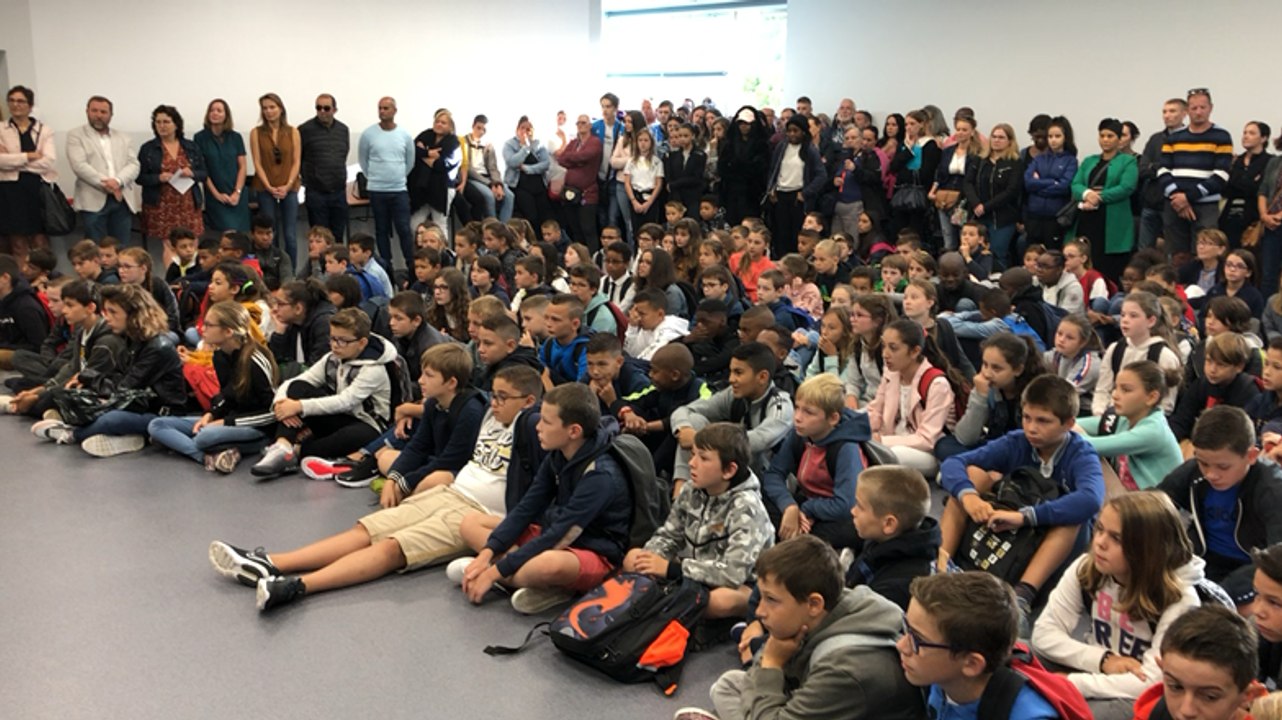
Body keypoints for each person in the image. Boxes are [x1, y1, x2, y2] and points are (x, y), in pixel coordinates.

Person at [209, 364, 543, 611]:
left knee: (393, 547)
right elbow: (451, 408)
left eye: (503, 398)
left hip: (480, 512)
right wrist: (408, 411)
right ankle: (272, 561)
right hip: (452, 493)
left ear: (528, 402)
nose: (495, 403)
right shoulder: (488, 413)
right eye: (494, 395)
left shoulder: (534, 430)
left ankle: (298, 586)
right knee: (366, 529)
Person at [687, 535, 925, 720]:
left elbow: (768, 666)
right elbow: (758, 674)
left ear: (813, 604)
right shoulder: (832, 605)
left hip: (837, 693)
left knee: (741, 690)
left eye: (771, 599)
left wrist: (771, 663)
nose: (759, 612)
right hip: (818, 695)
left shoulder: (846, 669)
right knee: (728, 684)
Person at [939, 375, 1105, 627]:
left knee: (1075, 517)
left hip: (1052, 537)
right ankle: (941, 564)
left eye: (1043, 421)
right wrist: (969, 496)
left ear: (1069, 423)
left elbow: (1091, 500)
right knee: (971, 477)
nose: (1032, 428)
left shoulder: (1080, 453)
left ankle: (1023, 596)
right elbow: (954, 462)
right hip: (1011, 526)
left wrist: (1025, 517)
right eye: (1027, 418)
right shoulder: (1017, 441)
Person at [456, 383, 632, 615]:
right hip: (552, 532)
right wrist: (489, 550)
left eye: (547, 422)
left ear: (574, 431)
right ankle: (527, 580)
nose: (537, 427)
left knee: (548, 565)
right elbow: (526, 508)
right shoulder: (558, 454)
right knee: (470, 523)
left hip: (593, 551)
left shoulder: (600, 475)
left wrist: (493, 571)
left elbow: (561, 534)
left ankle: (503, 576)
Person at [1031, 491, 1206, 719]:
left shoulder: (1180, 599)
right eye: (1100, 529)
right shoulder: (1087, 567)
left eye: (1117, 538)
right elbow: (1043, 634)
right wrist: (1103, 660)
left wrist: (1071, 683)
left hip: (1132, 691)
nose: (1100, 543)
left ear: (1148, 549)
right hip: (1096, 666)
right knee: (1017, 656)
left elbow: (1155, 681)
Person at [624, 422, 773, 620]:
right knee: (634, 558)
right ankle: (670, 605)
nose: (692, 463)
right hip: (693, 571)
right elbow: (669, 535)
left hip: (736, 584)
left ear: (729, 470)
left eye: (703, 458)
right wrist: (650, 559)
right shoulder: (691, 489)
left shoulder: (747, 508)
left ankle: (672, 609)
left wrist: (670, 569)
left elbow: (732, 574)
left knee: (721, 601)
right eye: (693, 454)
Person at [31, 284, 184, 457]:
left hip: (158, 413)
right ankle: (126, 437)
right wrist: (88, 381)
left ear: (133, 314)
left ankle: (72, 434)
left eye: (113, 312)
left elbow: (125, 389)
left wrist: (91, 379)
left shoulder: (158, 347)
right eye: (106, 311)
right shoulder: (130, 338)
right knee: (72, 396)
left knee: (111, 419)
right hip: (136, 405)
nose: (107, 317)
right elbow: (118, 378)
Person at [1159, 406, 1282, 607]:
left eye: (1223, 467)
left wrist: (1218, 594)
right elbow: (1151, 504)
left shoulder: (1273, 489)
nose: (1210, 474)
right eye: (1203, 463)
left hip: (1252, 568)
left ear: (1251, 456)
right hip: (1203, 561)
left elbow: (1276, 560)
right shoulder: (1195, 472)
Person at [251, 307, 396, 478]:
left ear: (362, 343)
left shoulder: (374, 370)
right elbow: (298, 381)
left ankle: (296, 452)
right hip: (341, 417)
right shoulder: (332, 358)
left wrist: (299, 406)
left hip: (367, 425)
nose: (335, 345)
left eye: (342, 341)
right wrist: (281, 402)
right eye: (332, 338)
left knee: (353, 436)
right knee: (298, 387)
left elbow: (346, 401)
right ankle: (283, 445)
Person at [898, 572, 1061, 720]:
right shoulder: (942, 676)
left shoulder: (1028, 716)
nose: (901, 646)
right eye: (906, 627)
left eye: (917, 640)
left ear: (971, 663)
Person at [147, 301, 278, 473]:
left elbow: (272, 413)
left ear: (228, 331)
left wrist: (226, 422)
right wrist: (211, 414)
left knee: (204, 437)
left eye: (209, 325)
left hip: (256, 426)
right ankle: (210, 457)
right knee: (157, 425)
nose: (202, 329)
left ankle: (247, 446)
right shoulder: (219, 356)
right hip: (230, 419)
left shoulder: (255, 361)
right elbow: (226, 395)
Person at [761, 373, 870, 550]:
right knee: (759, 498)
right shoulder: (800, 434)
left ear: (833, 418)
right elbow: (774, 474)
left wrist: (807, 509)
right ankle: (799, 541)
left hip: (838, 513)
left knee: (854, 531)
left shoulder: (846, 448)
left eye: (808, 412)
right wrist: (789, 507)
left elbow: (845, 504)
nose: (797, 417)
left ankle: (796, 542)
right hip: (807, 503)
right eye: (797, 407)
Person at [671, 342, 793, 486]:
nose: (731, 379)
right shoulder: (735, 394)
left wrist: (701, 440)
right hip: (734, 467)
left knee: (714, 440)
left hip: (769, 479)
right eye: (731, 372)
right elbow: (684, 410)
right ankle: (680, 491)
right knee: (694, 420)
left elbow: (759, 441)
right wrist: (684, 428)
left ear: (762, 377)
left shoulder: (781, 405)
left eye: (738, 373)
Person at [867, 318, 963, 476]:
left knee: (894, 454)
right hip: (892, 439)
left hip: (928, 453)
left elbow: (927, 439)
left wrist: (882, 441)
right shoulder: (891, 373)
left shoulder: (937, 384)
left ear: (915, 351)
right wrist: (858, 428)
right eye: (883, 346)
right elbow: (876, 409)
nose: (885, 354)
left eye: (893, 348)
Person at [1132, 606, 1264, 720]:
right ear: (1163, 669)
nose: (1186, 711)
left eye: (1210, 697)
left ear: (1247, 695)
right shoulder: (1151, 713)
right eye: (1176, 687)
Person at [1077, 360, 1182, 491]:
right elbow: (1073, 423)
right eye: (1116, 387)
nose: (1115, 395)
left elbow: (1088, 446)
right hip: (1131, 501)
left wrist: (1060, 428)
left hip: (1155, 507)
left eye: (1125, 390)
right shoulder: (1124, 418)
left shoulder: (1153, 431)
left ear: (1151, 397)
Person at [1157, 89, 1234, 259]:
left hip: (1205, 205)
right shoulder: (1174, 137)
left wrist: (1188, 198)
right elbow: (1163, 170)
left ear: (1210, 108)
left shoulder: (1221, 136)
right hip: (1174, 204)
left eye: (1202, 107)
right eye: (1194, 108)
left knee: (1205, 253)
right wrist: (1177, 196)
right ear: (1187, 111)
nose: (1198, 112)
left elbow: (1221, 175)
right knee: (1176, 256)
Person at [1072, 118, 1139, 282]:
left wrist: (1099, 198)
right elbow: (1075, 184)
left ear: (1119, 139)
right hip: (1087, 217)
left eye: (1110, 136)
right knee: (1087, 258)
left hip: (1113, 220)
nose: (1106, 140)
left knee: (1109, 267)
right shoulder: (1089, 161)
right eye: (1102, 135)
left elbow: (1127, 187)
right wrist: (1087, 194)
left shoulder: (1128, 161)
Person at [65, 95, 140, 242]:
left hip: (121, 200)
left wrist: (118, 181)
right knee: (95, 251)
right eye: (94, 111)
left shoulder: (123, 137)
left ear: (111, 115)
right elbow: (79, 165)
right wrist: (108, 184)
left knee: (121, 248)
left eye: (103, 112)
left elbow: (134, 164)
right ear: (87, 111)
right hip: (93, 200)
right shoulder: (76, 135)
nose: (98, 115)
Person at [1170, 332, 1261, 448]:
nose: (1212, 369)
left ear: (1239, 367)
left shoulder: (1248, 391)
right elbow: (1181, 420)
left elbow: (1238, 434)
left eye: (1221, 365)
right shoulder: (1201, 384)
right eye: (1208, 361)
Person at [357, 97, 415, 269]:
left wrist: (397, 176)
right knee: (381, 230)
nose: (382, 111)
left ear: (394, 111)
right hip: (377, 189)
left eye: (386, 108)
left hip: (399, 190)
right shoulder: (368, 134)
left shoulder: (404, 135)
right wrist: (375, 177)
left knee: (404, 229)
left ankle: (411, 266)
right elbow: (363, 160)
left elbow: (409, 162)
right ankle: (386, 267)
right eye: (380, 108)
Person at [0, 85, 57, 259]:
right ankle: (21, 282)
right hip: (9, 190)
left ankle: (43, 279)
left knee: (40, 239)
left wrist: (14, 160)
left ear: (30, 106)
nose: (16, 105)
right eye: (12, 101)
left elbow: (48, 162)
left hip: (37, 188)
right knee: (17, 241)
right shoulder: (1, 129)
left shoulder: (44, 130)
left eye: (21, 101)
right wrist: (29, 156)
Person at [248, 93, 301, 266]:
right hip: (265, 189)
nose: (269, 111)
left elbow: (296, 161)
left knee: (290, 235)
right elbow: (257, 162)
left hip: (289, 188)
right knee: (270, 234)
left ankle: (291, 272)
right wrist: (269, 186)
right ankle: (272, 269)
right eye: (265, 108)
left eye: (272, 107)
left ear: (280, 109)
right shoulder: (256, 133)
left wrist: (288, 185)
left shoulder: (293, 132)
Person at [963, 123, 1023, 271]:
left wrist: (986, 206)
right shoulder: (980, 160)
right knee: (975, 252)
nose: (996, 140)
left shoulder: (1015, 163)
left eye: (1001, 137)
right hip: (978, 216)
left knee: (997, 254)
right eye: (994, 137)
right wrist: (976, 203)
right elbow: (967, 182)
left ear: (1010, 141)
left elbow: (1012, 190)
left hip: (1002, 218)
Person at [1136, 99, 1188, 251]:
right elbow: (1143, 169)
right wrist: (1164, 167)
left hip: (1174, 203)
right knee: (1144, 250)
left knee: (1173, 250)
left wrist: (1156, 166)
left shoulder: (1189, 139)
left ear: (1184, 113)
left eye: (1172, 111)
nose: (1167, 115)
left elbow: (1182, 171)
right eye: (1164, 112)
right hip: (1151, 202)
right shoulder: (1156, 139)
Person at [298, 93, 349, 242]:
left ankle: (338, 266)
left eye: (326, 108)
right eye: (318, 108)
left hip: (338, 192)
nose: (322, 111)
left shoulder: (343, 130)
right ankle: (320, 266)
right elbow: (298, 158)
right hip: (316, 193)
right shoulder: (304, 130)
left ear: (335, 110)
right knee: (319, 239)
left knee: (338, 237)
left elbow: (343, 155)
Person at [193, 99, 249, 234]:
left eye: (219, 110)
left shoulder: (235, 137)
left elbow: (242, 167)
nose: (215, 113)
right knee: (226, 233)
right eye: (212, 110)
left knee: (240, 236)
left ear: (226, 115)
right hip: (215, 193)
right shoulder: (200, 138)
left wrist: (237, 192)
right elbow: (202, 170)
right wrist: (217, 194)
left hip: (236, 193)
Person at [1023, 116, 1079, 250]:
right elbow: (1028, 182)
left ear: (1066, 137)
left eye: (1057, 136)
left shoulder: (1070, 161)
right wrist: (1052, 182)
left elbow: (1064, 186)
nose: (1053, 140)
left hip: (1055, 216)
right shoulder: (1039, 158)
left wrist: (1039, 183)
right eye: (1050, 136)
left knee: (1052, 253)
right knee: (1031, 252)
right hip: (1034, 215)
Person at [408, 108, 461, 243]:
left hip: (442, 188)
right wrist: (429, 154)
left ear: (450, 127)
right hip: (422, 188)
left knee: (440, 225)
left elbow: (442, 165)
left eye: (443, 123)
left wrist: (424, 154)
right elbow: (412, 152)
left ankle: (443, 256)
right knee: (414, 224)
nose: (439, 124)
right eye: (437, 121)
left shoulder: (453, 142)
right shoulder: (426, 135)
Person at [555, 114, 604, 251]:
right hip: (570, 193)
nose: (581, 125)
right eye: (578, 123)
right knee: (575, 230)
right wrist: (577, 161)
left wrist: (572, 159)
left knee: (588, 229)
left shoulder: (594, 142)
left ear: (589, 125)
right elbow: (561, 159)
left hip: (588, 194)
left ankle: (593, 258)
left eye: (584, 123)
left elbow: (587, 155)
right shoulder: (573, 143)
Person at [718, 106, 770, 226]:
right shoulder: (729, 144)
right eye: (741, 123)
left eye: (747, 123)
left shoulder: (762, 145)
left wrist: (736, 166)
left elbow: (760, 168)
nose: (744, 126)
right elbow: (722, 168)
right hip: (731, 193)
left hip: (752, 194)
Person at [0, 252, 51, 370]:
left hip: (25, 357)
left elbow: (39, 346)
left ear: (5, 278)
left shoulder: (27, 307)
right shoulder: (3, 301)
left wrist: (5, 347)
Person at [503, 116, 553, 230]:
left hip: (539, 185)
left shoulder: (539, 144)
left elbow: (545, 164)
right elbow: (513, 162)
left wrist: (527, 168)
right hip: (520, 186)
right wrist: (525, 148)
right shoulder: (509, 145)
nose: (526, 131)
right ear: (517, 130)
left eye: (529, 128)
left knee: (545, 216)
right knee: (532, 216)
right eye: (523, 128)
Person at [461, 114, 512, 222]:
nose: (481, 132)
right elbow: (468, 169)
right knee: (489, 196)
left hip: (489, 178)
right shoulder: (464, 142)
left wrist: (498, 184)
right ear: (473, 126)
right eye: (478, 128)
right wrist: (489, 184)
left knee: (509, 195)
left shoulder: (488, 145)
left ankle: (503, 227)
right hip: (473, 178)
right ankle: (493, 227)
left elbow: (493, 167)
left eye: (484, 130)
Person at [116, 247, 179, 334]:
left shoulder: (158, 285)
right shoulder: (119, 289)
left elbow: (173, 316)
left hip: (163, 331)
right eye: (119, 266)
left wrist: (156, 331)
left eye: (127, 267)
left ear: (143, 269)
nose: (121, 271)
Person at [624, 288, 689, 361]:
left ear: (660, 314)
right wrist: (632, 327)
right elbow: (633, 354)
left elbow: (646, 361)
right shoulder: (648, 327)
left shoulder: (669, 333)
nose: (637, 318)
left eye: (642, 314)